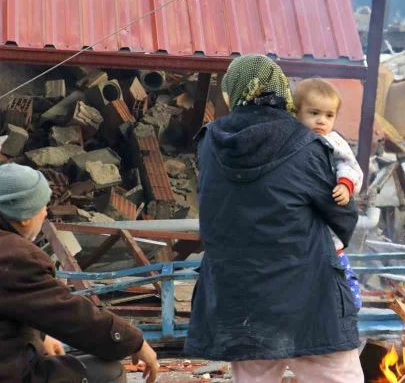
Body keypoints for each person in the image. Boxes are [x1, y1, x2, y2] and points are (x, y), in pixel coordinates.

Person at [185, 55, 362, 382]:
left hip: (239, 298)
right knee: (337, 375)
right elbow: (343, 215)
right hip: (309, 295)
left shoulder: (209, 141)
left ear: (232, 92)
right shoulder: (305, 141)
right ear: (281, 90)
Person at [0, 163, 159, 383]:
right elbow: (69, 314)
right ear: (24, 215)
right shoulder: (15, 256)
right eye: (42, 206)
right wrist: (133, 341)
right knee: (107, 372)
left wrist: (40, 337)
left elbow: (19, 305)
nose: (46, 212)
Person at [294, 78, 363, 310]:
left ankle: (348, 304)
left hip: (330, 228)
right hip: (302, 233)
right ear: (297, 112)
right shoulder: (293, 139)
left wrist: (345, 185)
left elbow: (350, 166)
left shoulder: (333, 141)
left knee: (338, 272)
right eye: (314, 113)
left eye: (329, 115)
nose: (321, 121)